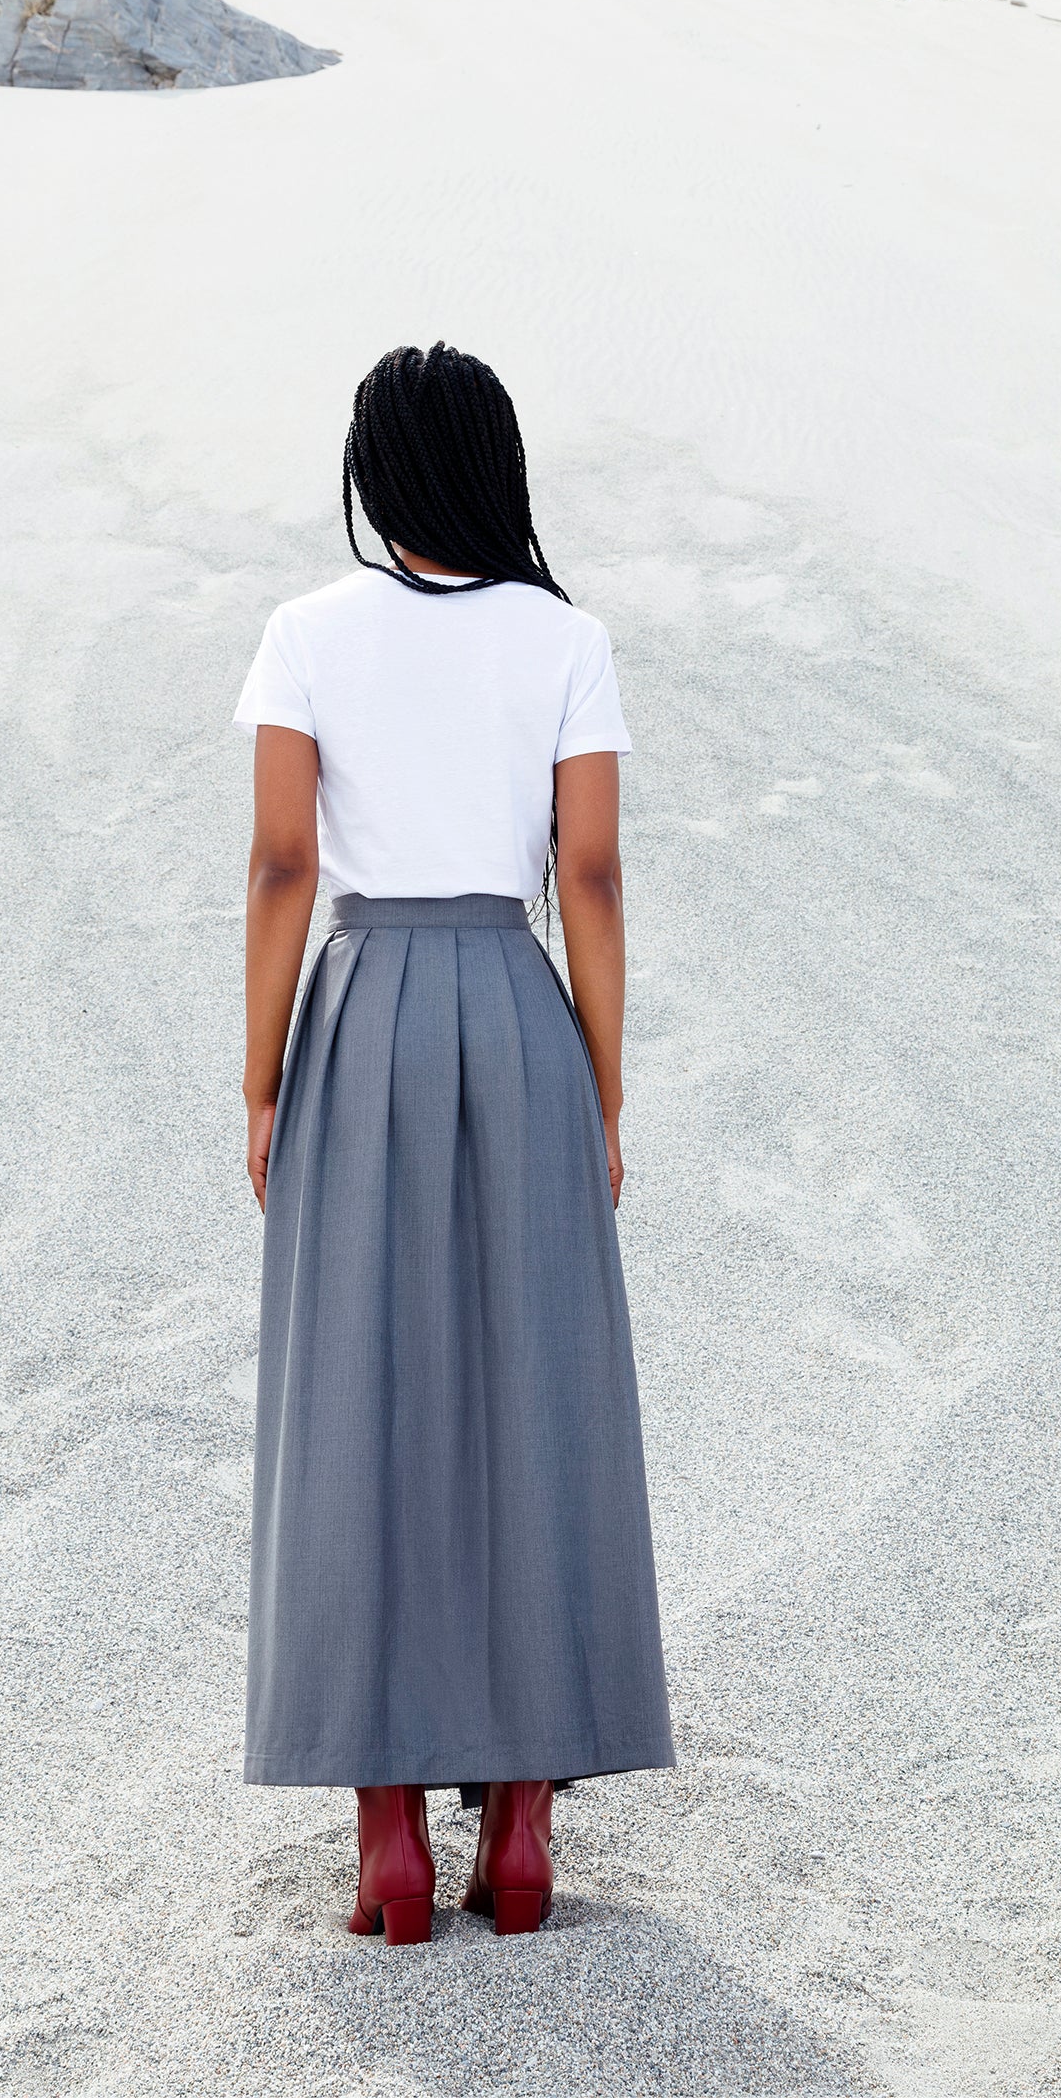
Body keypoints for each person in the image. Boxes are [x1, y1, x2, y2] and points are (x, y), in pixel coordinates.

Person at [233, 342, 673, 1946]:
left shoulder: (302, 635)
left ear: (372, 472)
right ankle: (527, 1835)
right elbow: (595, 880)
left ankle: (388, 1844)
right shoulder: (566, 638)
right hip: (515, 1003)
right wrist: (601, 1091)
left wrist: (263, 1075)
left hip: (359, 1012)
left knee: (361, 1403)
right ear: (494, 469)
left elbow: (287, 867)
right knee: (539, 1395)